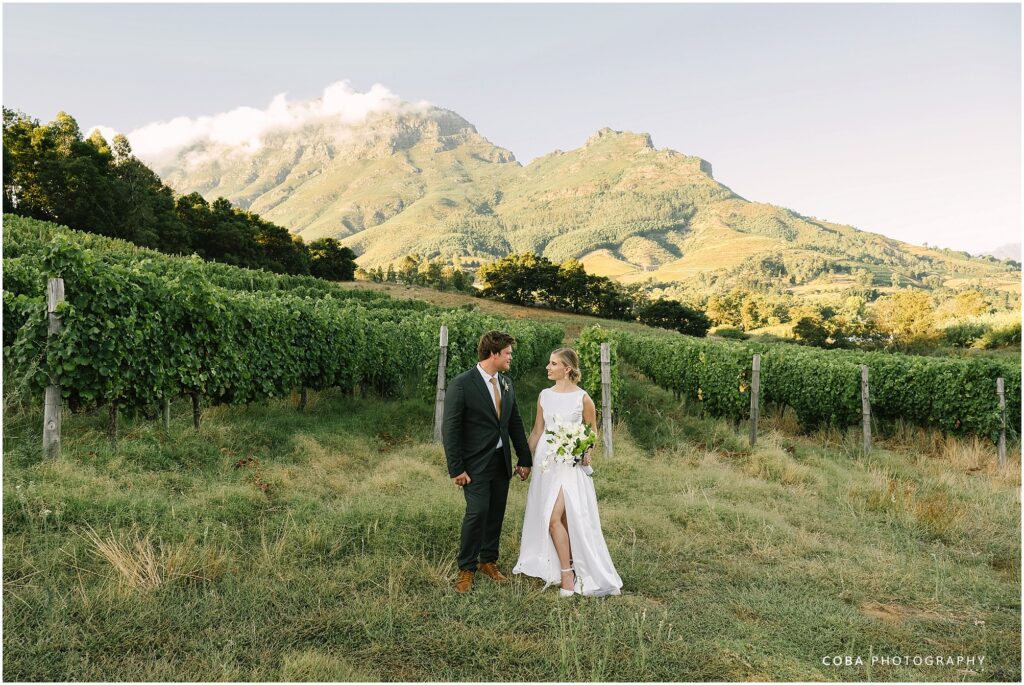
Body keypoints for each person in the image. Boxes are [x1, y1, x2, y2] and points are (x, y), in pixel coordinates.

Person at [512, 348, 622, 597]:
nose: (548, 368)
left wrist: (585, 450)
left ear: (567, 369)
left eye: (553, 364)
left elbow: (592, 432)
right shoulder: (544, 396)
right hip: (546, 463)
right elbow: (537, 431)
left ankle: (567, 575)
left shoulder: (583, 398)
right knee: (559, 520)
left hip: (570, 465)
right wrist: (524, 459)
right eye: (548, 363)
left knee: (554, 517)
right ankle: (565, 564)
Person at [442, 330, 533, 594]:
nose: (510, 358)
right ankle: (466, 568)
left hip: (501, 461)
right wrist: (456, 468)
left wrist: (524, 459)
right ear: (493, 354)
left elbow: (514, 423)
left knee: (495, 513)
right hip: (474, 464)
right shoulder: (462, 384)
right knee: (477, 512)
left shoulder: (506, 383)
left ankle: (488, 561)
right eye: (507, 354)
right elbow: (451, 429)